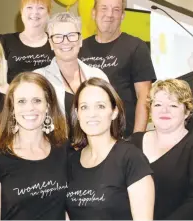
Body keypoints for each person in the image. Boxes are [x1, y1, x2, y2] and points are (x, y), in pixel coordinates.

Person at [0, 72, 68, 220]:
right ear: (12, 108)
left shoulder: (64, 150)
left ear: (48, 106)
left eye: (37, 100)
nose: (30, 108)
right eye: (21, 101)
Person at [66, 77, 155, 220]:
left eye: (100, 106)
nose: (92, 113)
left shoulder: (131, 158)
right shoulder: (71, 162)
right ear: (77, 114)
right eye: (84, 107)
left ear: (114, 112)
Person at [78, 0, 157, 138]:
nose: (110, 14)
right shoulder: (80, 48)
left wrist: (137, 139)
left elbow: (144, 96)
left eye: (116, 10)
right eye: (104, 8)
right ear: (93, 13)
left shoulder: (136, 47)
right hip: (88, 137)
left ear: (122, 16)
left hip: (124, 138)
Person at [131, 79, 193, 220]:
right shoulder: (133, 143)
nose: (164, 110)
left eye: (173, 105)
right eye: (157, 104)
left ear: (187, 112)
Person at [34, 12, 108, 122]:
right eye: (58, 37)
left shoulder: (98, 76)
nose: (65, 41)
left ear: (80, 40)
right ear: (50, 43)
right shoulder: (38, 79)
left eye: (71, 35)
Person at [0, 0, 55, 83]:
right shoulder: (6, 41)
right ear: (21, 12)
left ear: (48, 13)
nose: (35, 12)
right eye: (29, 7)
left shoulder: (56, 41)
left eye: (41, 8)